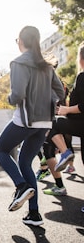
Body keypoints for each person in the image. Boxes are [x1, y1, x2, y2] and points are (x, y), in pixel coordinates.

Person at [0, 26, 65, 226]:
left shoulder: (18, 62)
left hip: (26, 120)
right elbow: (60, 93)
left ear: (21, 41)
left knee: (0, 150)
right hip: (44, 123)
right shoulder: (47, 66)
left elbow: (17, 95)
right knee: (25, 163)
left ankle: (21, 185)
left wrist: (9, 98)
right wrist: (48, 105)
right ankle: (34, 214)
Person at [48, 42, 84, 172]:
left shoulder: (82, 77)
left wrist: (67, 110)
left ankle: (65, 153)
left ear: (81, 58)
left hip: (80, 124)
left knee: (52, 123)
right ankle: (64, 152)